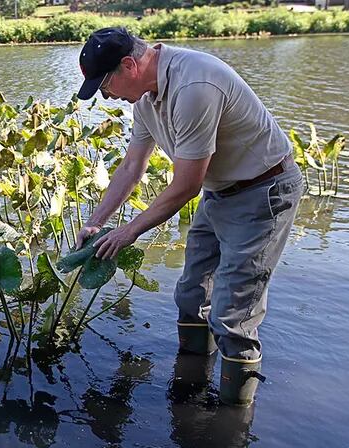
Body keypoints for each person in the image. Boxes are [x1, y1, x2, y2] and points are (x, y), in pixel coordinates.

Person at [74, 27, 304, 406]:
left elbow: (185, 187)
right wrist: (97, 222)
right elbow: (132, 165)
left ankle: (232, 420)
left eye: (106, 84)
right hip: (221, 191)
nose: (106, 95)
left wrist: (128, 232)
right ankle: (191, 386)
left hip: (263, 192)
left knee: (233, 314)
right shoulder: (145, 98)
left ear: (129, 65)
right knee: (191, 293)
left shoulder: (193, 85)